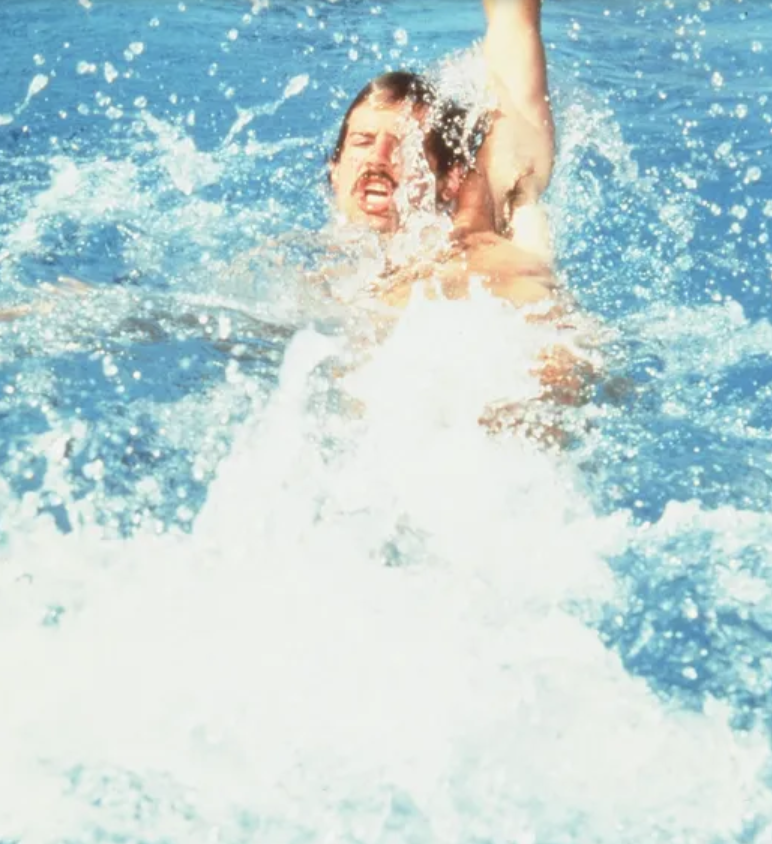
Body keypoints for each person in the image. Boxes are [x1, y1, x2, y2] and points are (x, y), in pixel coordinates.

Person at [326, 0, 558, 311]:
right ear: (335, 171)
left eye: (403, 146)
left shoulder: (477, 238)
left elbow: (513, 27)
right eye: (362, 141)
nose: (377, 158)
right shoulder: (317, 277)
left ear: (450, 180)